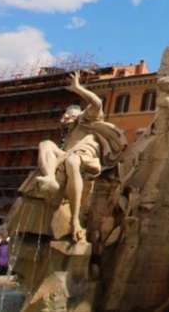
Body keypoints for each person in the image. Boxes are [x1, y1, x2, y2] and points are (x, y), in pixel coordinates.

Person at [23, 70, 127, 242]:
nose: (65, 118)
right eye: (64, 115)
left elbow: (97, 103)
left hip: (87, 160)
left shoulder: (86, 120)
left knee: (72, 161)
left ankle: (74, 219)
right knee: (46, 144)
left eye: (70, 115)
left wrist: (78, 88)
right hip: (69, 156)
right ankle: (50, 179)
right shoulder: (68, 134)